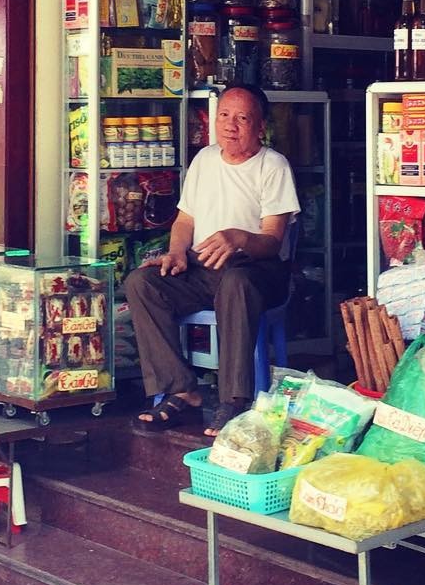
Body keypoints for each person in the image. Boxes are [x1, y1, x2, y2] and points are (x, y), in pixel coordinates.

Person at [125, 86, 299, 436]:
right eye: (224, 115)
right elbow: (185, 221)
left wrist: (238, 238)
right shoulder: (204, 159)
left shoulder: (272, 165)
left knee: (236, 282)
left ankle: (234, 400)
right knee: (141, 283)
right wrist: (175, 253)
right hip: (202, 268)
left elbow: (273, 240)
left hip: (256, 271)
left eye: (242, 118)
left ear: (260, 126)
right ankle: (180, 390)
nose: (230, 125)